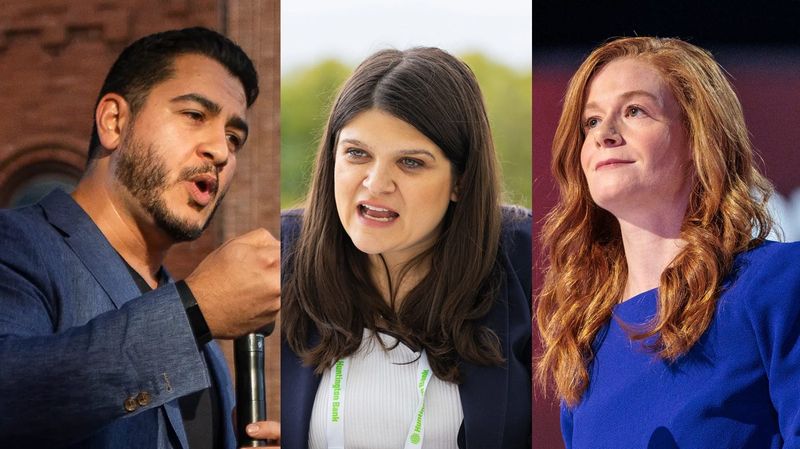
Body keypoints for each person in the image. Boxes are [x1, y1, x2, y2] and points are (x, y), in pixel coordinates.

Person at [0, 27, 281, 448]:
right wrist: (195, 312)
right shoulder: (17, 244)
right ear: (114, 122)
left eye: (233, 137)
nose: (221, 152)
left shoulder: (203, 342)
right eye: (194, 115)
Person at [536, 36, 800, 448]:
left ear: (699, 139)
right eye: (591, 121)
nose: (604, 134)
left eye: (635, 111)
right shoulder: (585, 345)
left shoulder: (777, 284)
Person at [280, 47, 532, 449]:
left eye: (410, 162)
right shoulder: (279, 254)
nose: (376, 183)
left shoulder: (528, 260)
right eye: (357, 153)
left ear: (461, 180)